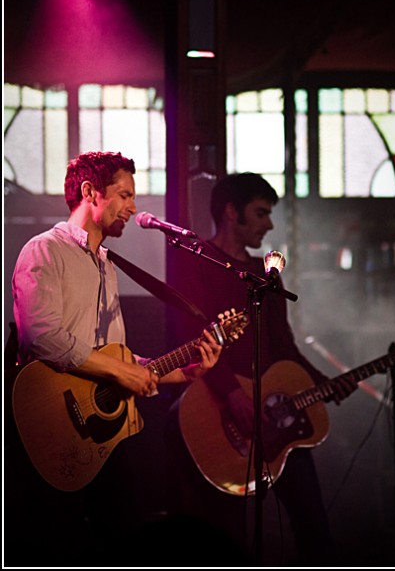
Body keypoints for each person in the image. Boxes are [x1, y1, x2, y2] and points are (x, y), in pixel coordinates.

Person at [5, 151, 222, 567]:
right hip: (53, 426)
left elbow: (117, 358)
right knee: (56, 544)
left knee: (125, 541)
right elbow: (43, 336)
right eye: (124, 195)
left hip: (101, 435)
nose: (134, 208)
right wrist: (121, 369)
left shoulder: (107, 266)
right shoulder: (44, 252)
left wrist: (189, 371)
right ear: (90, 192)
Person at [164, 172, 358, 566]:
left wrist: (322, 382)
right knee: (227, 539)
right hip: (219, 413)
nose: (269, 224)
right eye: (261, 213)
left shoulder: (265, 273)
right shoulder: (196, 262)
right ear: (232, 212)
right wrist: (231, 393)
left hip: (274, 414)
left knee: (313, 527)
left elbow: (282, 344)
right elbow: (188, 336)